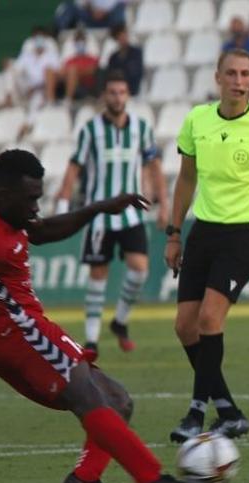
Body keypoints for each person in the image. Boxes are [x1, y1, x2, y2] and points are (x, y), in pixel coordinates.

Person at [0, 149, 213, 483]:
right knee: (89, 398)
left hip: (28, 329)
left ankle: (86, 480)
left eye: (38, 197)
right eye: (31, 199)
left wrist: (99, 207)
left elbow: (43, 231)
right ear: (3, 196)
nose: (36, 206)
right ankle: (151, 481)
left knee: (118, 401)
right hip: (17, 335)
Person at [165, 49, 249, 442]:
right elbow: (186, 179)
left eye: (246, 74)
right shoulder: (197, 121)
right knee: (184, 327)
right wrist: (174, 232)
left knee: (208, 320)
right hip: (203, 231)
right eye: (232, 73)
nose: (239, 81)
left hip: (244, 236)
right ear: (217, 77)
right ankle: (229, 411)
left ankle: (195, 413)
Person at [56, 71, 169, 362]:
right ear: (104, 96)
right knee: (98, 275)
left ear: (127, 95)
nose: (117, 97)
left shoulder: (141, 128)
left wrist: (164, 205)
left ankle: (120, 320)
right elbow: (74, 167)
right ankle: (92, 339)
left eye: (122, 92)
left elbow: (154, 166)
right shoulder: (90, 129)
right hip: (99, 214)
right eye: (112, 92)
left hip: (131, 214)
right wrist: (61, 207)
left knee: (140, 269)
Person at [14, 28, 61, 109]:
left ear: (45, 39)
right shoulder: (26, 56)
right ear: (33, 40)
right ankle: (10, 99)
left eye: (41, 37)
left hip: (41, 89)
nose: (39, 40)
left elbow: (56, 75)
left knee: (37, 102)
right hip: (26, 87)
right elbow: (16, 71)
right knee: (7, 75)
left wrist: (35, 88)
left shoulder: (52, 55)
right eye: (36, 37)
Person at [55, 31, 100, 103]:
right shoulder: (70, 59)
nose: (80, 43)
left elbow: (93, 70)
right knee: (51, 71)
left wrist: (76, 72)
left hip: (86, 84)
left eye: (82, 41)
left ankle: (68, 100)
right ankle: (50, 101)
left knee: (72, 70)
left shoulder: (91, 58)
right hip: (68, 82)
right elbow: (62, 71)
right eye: (78, 41)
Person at [102, 25, 144, 97]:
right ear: (116, 39)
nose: (124, 38)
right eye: (120, 37)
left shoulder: (136, 53)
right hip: (117, 88)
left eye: (125, 35)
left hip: (132, 88)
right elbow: (110, 75)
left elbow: (137, 73)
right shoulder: (113, 57)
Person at [55, 0, 127, 31]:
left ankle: (118, 32)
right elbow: (80, 3)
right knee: (69, 7)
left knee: (120, 8)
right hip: (91, 16)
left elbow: (123, 3)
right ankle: (60, 32)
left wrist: (105, 12)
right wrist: (91, 9)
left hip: (109, 17)